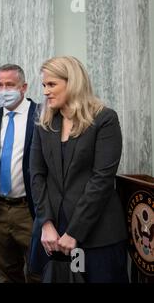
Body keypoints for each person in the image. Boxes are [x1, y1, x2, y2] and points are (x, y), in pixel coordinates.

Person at [30, 56, 128, 283]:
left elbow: (102, 180)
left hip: (98, 235)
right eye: (44, 85)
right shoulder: (44, 122)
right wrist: (45, 223)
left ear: (72, 82)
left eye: (52, 84)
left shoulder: (104, 119)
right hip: (53, 234)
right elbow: (36, 175)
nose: (45, 91)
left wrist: (74, 232)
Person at [0, 64, 39, 283]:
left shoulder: (43, 115)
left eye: (10, 85)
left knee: (38, 273)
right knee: (7, 273)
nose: (4, 90)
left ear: (24, 87)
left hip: (30, 210)